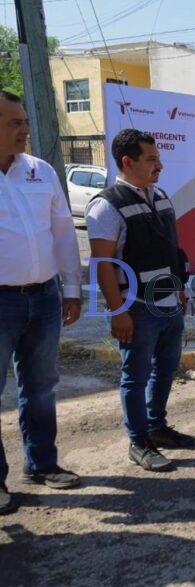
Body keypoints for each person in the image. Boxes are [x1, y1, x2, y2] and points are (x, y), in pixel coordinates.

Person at [86, 129, 195, 472]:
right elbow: (103, 265)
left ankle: (156, 426)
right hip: (137, 307)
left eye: (159, 158)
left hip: (168, 304)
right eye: (151, 159)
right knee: (135, 375)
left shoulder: (160, 195)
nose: (159, 165)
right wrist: (119, 312)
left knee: (165, 369)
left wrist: (180, 287)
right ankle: (139, 442)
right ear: (127, 162)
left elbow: (170, 248)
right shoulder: (107, 205)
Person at [0, 90, 82, 514]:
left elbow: (64, 232)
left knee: (41, 388)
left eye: (25, 121)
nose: (25, 130)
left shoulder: (40, 171)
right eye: (15, 122)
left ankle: (42, 463)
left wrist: (72, 289)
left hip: (44, 298)